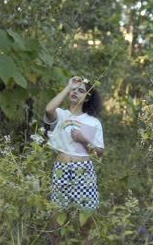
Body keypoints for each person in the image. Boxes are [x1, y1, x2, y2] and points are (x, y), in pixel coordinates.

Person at [44, 76, 104, 244]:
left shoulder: (93, 122)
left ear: (87, 97)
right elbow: (49, 109)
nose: (75, 93)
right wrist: (68, 86)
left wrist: (84, 140)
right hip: (61, 169)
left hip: (83, 172)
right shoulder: (61, 115)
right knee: (56, 223)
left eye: (81, 91)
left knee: (86, 225)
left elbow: (100, 153)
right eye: (73, 90)